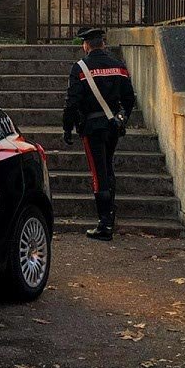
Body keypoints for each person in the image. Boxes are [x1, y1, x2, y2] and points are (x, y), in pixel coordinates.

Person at [62, 27, 136, 241]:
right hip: (113, 126)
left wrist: (67, 127)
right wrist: (123, 119)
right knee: (108, 168)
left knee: (98, 173)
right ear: (103, 44)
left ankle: (104, 225)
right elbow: (129, 98)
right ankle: (110, 218)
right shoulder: (118, 66)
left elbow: (72, 101)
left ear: (86, 45)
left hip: (92, 127)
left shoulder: (80, 68)